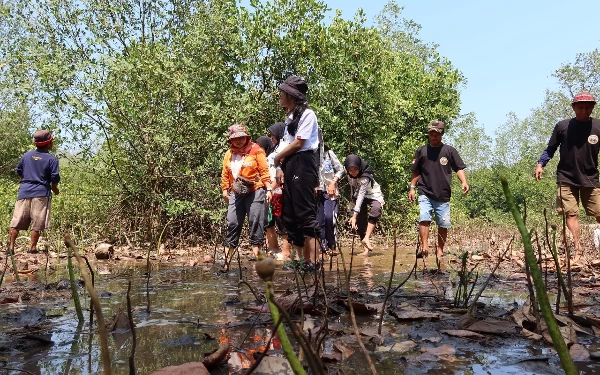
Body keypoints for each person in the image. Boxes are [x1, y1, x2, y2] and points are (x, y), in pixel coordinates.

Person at [535, 91, 600, 262]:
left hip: (590, 177)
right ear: (574, 107)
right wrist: (541, 164)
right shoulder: (562, 126)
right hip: (566, 177)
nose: (584, 110)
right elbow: (551, 148)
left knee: (599, 213)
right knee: (571, 214)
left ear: (593, 107)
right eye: (580, 106)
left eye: (588, 106)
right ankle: (578, 249)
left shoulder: (598, 127)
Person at [273, 76, 321, 268]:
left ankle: (314, 261)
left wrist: (278, 159)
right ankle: (301, 259)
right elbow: (284, 146)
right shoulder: (290, 118)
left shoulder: (308, 114)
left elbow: (300, 142)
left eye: (282, 93)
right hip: (290, 164)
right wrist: (278, 166)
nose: (279, 96)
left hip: (303, 162)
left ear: (291, 96)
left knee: (305, 213)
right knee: (290, 214)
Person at [409, 120, 469, 258]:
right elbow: (415, 171)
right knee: (424, 218)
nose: (434, 136)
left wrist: (464, 182)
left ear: (442, 134)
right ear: (428, 134)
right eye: (431, 133)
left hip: (442, 193)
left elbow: (458, 168)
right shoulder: (421, 151)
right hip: (425, 191)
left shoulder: (449, 151)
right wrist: (412, 188)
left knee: (443, 223)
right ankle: (424, 247)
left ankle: (440, 250)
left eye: (436, 133)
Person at [221, 124, 272, 260]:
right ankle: (226, 261)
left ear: (246, 137)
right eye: (235, 138)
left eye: (241, 137)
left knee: (255, 222)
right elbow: (225, 173)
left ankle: (258, 259)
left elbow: (264, 171)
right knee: (233, 222)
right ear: (230, 140)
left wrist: (269, 189)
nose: (239, 140)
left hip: (255, 190)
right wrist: (225, 190)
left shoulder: (256, 150)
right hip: (236, 192)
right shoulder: (229, 154)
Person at [8, 130, 60, 255]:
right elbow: (55, 177)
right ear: (48, 143)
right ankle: (32, 248)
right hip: (41, 193)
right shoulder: (52, 159)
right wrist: (54, 188)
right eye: (51, 141)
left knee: (16, 221)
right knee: (37, 222)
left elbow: (19, 171)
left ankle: (11, 248)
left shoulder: (27, 155)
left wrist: (26, 182)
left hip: (24, 192)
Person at [344, 154, 384, 256]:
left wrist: (354, 215)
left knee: (376, 208)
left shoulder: (365, 177)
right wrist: (352, 205)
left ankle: (367, 237)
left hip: (372, 193)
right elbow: (353, 187)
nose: (353, 172)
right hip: (357, 194)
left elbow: (362, 195)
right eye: (350, 170)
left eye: (355, 170)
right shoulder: (348, 172)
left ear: (359, 167)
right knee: (360, 221)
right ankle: (365, 249)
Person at [317, 142, 345, 254]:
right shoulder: (308, 154)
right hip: (316, 192)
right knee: (319, 220)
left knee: (329, 217)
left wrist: (333, 182)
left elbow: (341, 169)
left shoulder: (328, 153)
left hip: (330, 191)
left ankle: (332, 245)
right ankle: (321, 246)